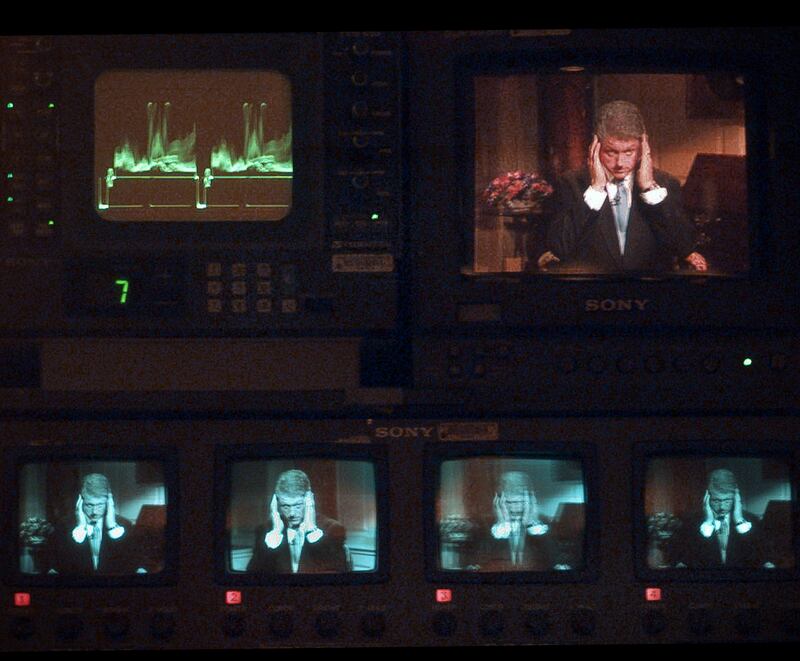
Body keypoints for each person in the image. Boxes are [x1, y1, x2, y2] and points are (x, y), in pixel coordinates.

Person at [539, 100, 708, 273]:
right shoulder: (570, 183)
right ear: (595, 148)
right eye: (611, 152)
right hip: (594, 285)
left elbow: (685, 246)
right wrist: (596, 189)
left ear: (642, 148)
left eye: (629, 152)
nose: (620, 163)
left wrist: (648, 188)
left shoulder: (665, 184)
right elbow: (558, 247)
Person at [247, 469, 348, 574]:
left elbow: (337, 573)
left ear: (309, 501)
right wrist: (276, 533)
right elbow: (253, 573)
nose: (292, 513)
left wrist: (311, 531)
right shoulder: (264, 531)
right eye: (285, 506)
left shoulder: (333, 529)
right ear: (276, 503)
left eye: (298, 505)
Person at [668, 468, 772, 569]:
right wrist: (708, 523)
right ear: (707, 497)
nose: (722, 507)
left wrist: (739, 521)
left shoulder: (752, 521)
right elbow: (685, 558)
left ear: (735, 498)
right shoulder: (691, 522)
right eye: (716, 500)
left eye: (727, 501)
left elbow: (761, 557)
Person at [50, 473, 138, 575]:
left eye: (100, 505)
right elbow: (61, 565)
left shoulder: (124, 525)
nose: (94, 512)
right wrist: (80, 527)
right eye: (89, 505)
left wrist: (112, 527)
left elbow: (129, 564)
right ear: (80, 501)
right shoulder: (64, 526)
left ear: (108, 502)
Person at [475, 471, 561, 571]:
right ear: (500, 502)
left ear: (530, 501)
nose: (514, 507)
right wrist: (502, 523)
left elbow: (553, 560)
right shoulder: (491, 527)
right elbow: (482, 561)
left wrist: (531, 522)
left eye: (520, 502)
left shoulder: (541, 525)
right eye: (509, 502)